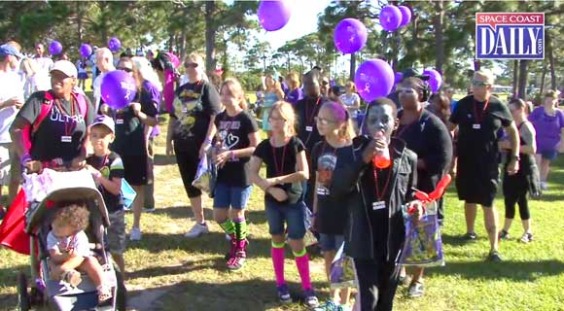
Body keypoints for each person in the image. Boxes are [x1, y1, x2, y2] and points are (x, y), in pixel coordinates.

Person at [330, 97, 420, 311]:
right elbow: (338, 190)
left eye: (385, 119)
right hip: (363, 238)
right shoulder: (349, 153)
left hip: (393, 239)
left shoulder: (408, 157)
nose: (379, 125)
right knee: (368, 300)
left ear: (395, 124)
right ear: (366, 124)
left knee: (386, 300)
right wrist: (363, 158)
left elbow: (411, 193)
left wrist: (416, 204)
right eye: (373, 120)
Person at [249, 101, 319, 308]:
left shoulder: (295, 143)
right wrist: (270, 189)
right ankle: (281, 284)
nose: (276, 122)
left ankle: (308, 288)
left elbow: (304, 173)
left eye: (280, 118)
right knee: (277, 238)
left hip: (294, 201)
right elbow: (252, 172)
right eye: (273, 118)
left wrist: (277, 181)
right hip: (273, 202)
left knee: (297, 242)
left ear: (288, 121)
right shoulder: (264, 145)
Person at [448, 70, 520, 262]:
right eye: (474, 82)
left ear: (490, 87)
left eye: (480, 83)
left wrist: (515, 157)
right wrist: (450, 156)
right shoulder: (463, 104)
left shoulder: (498, 105)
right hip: (466, 160)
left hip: (489, 162)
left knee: (488, 202)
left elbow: (512, 132)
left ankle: (494, 248)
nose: (475, 86)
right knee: (469, 197)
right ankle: (469, 231)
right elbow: (450, 128)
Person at [395, 77, 452, 298]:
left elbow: (443, 159)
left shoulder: (433, 124)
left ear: (422, 94)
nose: (402, 93)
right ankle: (399, 270)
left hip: (423, 188)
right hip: (397, 187)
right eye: (400, 90)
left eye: (408, 90)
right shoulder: (395, 119)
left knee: (420, 236)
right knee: (397, 232)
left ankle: (417, 280)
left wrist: (410, 161)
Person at [101, 57, 159, 241]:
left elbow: (154, 120)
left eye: (127, 69)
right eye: (120, 69)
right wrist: (104, 109)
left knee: (137, 186)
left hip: (136, 146)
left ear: (133, 71)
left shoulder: (143, 89)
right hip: (115, 147)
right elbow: (100, 120)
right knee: (114, 187)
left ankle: (136, 226)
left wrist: (139, 112)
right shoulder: (110, 88)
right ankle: (116, 224)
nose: (123, 72)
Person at [166, 53, 221, 238]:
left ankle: (228, 223)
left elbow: (215, 116)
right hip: (182, 144)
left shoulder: (206, 88)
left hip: (202, 145)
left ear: (202, 67)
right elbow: (173, 117)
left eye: (194, 65)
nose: (190, 68)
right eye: (187, 65)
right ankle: (200, 222)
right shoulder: (180, 90)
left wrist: (207, 141)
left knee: (213, 184)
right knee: (191, 184)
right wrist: (168, 140)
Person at [11, 60, 95, 176]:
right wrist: (26, 159)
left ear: (74, 81)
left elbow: (91, 133)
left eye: (62, 77)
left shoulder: (82, 102)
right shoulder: (39, 100)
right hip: (43, 171)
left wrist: (82, 157)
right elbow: (16, 129)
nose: (56, 80)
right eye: (54, 76)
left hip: (74, 172)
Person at [310, 102, 355, 310]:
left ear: (339, 123)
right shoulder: (319, 148)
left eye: (324, 120)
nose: (319, 123)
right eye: (318, 119)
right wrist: (315, 210)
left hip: (345, 212)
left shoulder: (352, 149)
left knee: (343, 259)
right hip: (325, 210)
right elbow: (319, 181)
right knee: (328, 253)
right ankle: (332, 297)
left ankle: (344, 303)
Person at [212, 78, 260, 270]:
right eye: (223, 94)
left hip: (242, 173)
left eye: (230, 94)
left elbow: (256, 147)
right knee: (219, 215)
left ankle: (239, 250)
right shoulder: (220, 118)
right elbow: (220, 140)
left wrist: (232, 153)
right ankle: (239, 238)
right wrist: (216, 148)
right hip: (223, 172)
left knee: (237, 213)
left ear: (239, 96)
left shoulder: (246, 118)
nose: (225, 98)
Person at [85, 115, 126, 273]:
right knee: (95, 248)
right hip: (95, 210)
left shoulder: (115, 160)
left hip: (113, 210)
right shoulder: (88, 160)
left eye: (102, 136)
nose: (98, 140)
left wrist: (98, 176)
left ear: (111, 138)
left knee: (115, 250)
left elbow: (116, 188)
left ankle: (121, 277)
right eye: (94, 136)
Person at [47, 202, 111, 302]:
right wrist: (67, 257)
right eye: (54, 222)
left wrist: (64, 266)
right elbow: (54, 255)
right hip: (62, 260)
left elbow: (79, 257)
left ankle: (102, 287)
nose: (54, 226)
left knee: (91, 262)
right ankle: (70, 275)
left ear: (73, 228)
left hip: (81, 261)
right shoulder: (52, 235)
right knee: (51, 262)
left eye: (60, 225)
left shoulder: (79, 236)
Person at [499, 98, 539, 243]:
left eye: (512, 110)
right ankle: (505, 230)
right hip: (510, 167)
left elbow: (532, 149)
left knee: (522, 201)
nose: (509, 113)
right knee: (509, 199)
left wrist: (510, 146)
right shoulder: (510, 126)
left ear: (521, 110)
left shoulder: (526, 127)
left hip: (524, 169)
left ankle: (528, 232)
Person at [294, 68, 329, 210]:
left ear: (320, 84)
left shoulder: (327, 105)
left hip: (322, 153)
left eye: (311, 84)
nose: (307, 87)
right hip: (302, 152)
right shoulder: (299, 105)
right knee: (301, 186)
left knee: (318, 187)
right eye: (305, 84)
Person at [0, 44, 24, 216]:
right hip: (0, 135)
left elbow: (21, 101)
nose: (18, 61)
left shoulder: (16, 78)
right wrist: (5, 104)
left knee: (17, 175)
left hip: (16, 133)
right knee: (1, 175)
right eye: (16, 57)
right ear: (9, 57)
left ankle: (12, 208)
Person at [528, 90, 564, 190]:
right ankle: (535, 182)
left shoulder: (560, 114)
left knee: (545, 163)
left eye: (552, 99)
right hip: (537, 142)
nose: (550, 101)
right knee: (537, 162)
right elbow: (528, 124)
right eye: (548, 98)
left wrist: (562, 143)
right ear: (544, 99)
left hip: (552, 143)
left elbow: (562, 129)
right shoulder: (537, 111)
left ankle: (543, 181)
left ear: (556, 100)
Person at [93, 48, 116, 112]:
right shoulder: (98, 80)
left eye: (98, 60)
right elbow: (96, 100)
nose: (96, 63)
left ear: (107, 60)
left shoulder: (119, 77)